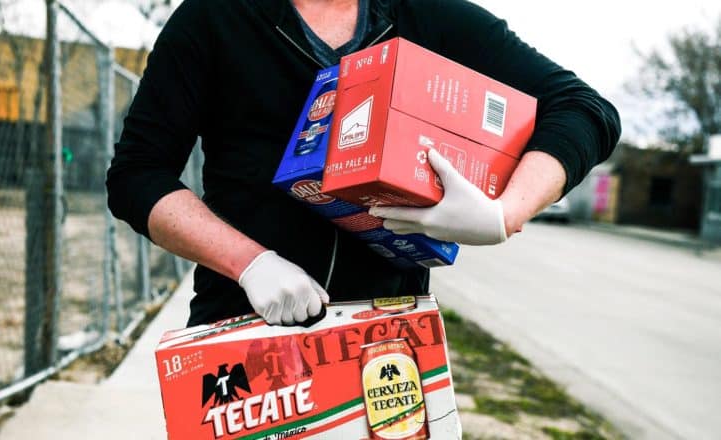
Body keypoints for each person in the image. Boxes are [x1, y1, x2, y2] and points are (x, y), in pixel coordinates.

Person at [106, 0, 621, 327]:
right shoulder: (213, 18)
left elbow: (584, 110)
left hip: (389, 339)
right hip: (244, 323)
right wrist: (250, 263)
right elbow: (137, 175)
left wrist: (503, 213)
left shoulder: (431, 17)